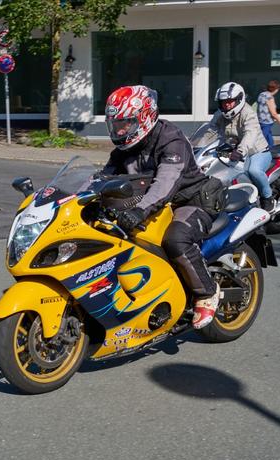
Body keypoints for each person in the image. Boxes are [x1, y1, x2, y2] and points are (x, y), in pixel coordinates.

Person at [101, 85, 225, 330]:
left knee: (175, 240)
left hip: (190, 199)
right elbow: (100, 179)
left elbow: (166, 182)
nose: (120, 129)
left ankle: (207, 292)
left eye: (125, 123)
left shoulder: (171, 139)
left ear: (145, 117)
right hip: (155, 204)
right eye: (115, 124)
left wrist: (139, 210)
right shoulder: (123, 149)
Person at [204, 81, 275, 212]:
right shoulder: (219, 114)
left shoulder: (248, 113)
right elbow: (209, 132)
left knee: (253, 170)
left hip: (256, 152)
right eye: (223, 102)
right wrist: (192, 146)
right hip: (232, 152)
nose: (227, 105)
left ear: (239, 100)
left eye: (230, 101)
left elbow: (250, 134)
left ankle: (267, 197)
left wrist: (240, 151)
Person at [257, 79, 280, 147]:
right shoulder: (269, 97)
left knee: (269, 138)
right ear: (276, 89)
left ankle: (271, 150)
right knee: (262, 140)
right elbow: (273, 113)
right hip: (267, 122)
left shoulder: (261, 94)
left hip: (260, 121)